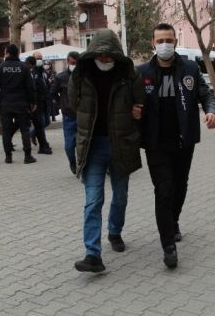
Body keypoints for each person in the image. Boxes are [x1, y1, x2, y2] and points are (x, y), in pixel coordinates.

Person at [136, 23, 215, 269]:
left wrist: (212, 111)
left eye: (169, 40)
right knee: (164, 190)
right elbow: (130, 101)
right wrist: (133, 111)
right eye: (160, 40)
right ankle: (168, 246)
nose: (165, 44)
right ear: (153, 43)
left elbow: (206, 94)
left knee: (180, 186)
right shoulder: (142, 72)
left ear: (175, 42)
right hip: (156, 143)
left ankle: (173, 222)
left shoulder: (190, 68)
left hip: (184, 140)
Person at [68, 29, 144, 273]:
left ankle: (115, 231)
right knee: (93, 200)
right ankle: (93, 255)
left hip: (121, 144)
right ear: (92, 54)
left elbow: (141, 103)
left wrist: (138, 111)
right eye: (99, 55)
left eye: (108, 55)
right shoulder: (81, 74)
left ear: (116, 55)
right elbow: (73, 104)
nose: (104, 59)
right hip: (93, 146)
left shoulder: (129, 74)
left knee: (120, 195)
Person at [0, 44, 37, 164]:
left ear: (7, 53)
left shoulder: (0, 68)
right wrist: (33, 102)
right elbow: (30, 87)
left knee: (6, 130)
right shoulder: (24, 67)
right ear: (18, 54)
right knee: (24, 130)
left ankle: (8, 156)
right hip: (22, 103)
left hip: (5, 104)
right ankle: (28, 156)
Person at [50, 51, 80, 174]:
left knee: (86, 145)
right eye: (73, 63)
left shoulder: (85, 76)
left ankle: (84, 165)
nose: (75, 65)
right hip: (69, 116)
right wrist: (61, 103)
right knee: (69, 146)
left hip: (84, 116)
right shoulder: (61, 77)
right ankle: (72, 162)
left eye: (77, 63)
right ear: (68, 62)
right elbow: (52, 92)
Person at [25, 54, 52, 155]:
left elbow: (46, 84)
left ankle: (33, 134)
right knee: (40, 124)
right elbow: (32, 88)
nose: (39, 60)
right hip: (37, 102)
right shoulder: (31, 72)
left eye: (41, 58)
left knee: (46, 122)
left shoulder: (42, 71)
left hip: (45, 101)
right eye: (37, 59)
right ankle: (43, 145)